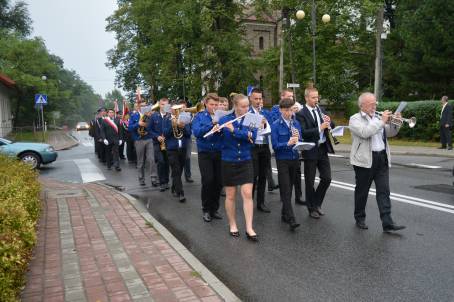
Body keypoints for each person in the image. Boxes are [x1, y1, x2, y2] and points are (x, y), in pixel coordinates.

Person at [349, 92, 406, 232]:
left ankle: (387, 222)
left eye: (375, 103)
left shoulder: (378, 118)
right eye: (371, 104)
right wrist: (381, 121)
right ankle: (359, 217)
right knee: (362, 191)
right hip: (364, 160)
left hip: (381, 158)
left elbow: (391, 133)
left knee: (384, 191)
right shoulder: (354, 119)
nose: (375, 106)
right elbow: (365, 132)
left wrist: (396, 122)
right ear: (362, 105)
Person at [216, 94, 258, 241]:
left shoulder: (252, 118)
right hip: (228, 160)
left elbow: (251, 137)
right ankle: (233, 224)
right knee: (231, 195)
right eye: (243, 106)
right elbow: (214, 140)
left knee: (247, 193)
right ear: (235, 106)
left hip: (245, 160)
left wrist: (234, 131)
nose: (247, 109)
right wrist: (216, 130)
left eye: (248, 106)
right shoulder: (224, 120)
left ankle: (249, 227)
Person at [295, 87, 334, 219]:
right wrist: (319, 128)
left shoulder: (321, 110)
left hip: (322, 148)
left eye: (317, 97)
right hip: (310, 149)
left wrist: (330, 122)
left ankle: (316, 203)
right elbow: (304, 133)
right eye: (313, 97)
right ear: (306, 98)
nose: (316, 100)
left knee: (327, 178)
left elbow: (331, 125)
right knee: (310, 181)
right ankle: (311, 208)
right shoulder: (301, 113)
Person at [271, 98, 302, 231]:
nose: (289, 113)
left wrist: (299, 141)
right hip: (282, 160)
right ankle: (291, 219)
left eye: (291, 110)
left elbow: (300, 140)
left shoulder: (296, 123)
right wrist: (288, 143)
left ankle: (285, 213)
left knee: (290, 188)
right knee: (285, 188)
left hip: (294, 158)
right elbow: (275, 146)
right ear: (281, 110)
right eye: (286, 110)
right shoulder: (276, 125)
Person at [192, 93, 223, 222]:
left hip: (219, 152)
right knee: (208, 180)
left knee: (219, 181)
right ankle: (206, 209)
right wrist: (211, 124)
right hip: (205, 152)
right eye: (212, 104)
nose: (214, 107)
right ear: (205, 104)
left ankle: (214, 209)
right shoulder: (199, 117)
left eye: (216, 105)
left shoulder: (222, 117)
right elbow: (197, 133)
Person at [249, 88, 273, 213]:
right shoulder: (247, 113)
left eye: (260, 98)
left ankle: (261, 202)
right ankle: (250, 202)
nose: (258, 101)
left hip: (264, 146)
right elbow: (246, 129)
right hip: (253, 147)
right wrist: (257, 123)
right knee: (254, 176)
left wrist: (265, 123)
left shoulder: (265, 112)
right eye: (256, 99)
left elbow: (271, 127)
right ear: (251, 99)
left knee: (263, 175)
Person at [163, 99, 192, 203]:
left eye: (178, 108)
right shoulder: (166, 119)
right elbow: (165, 133)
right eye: (174, 108)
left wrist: (182, 126)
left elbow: (189, 134)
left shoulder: (184, 118)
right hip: (172, 148)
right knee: (175, 169)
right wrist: (173, 125)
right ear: (171, 109)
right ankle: (181, 193)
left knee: (179, 170)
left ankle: (174, 187)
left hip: (182, 148)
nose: (176, 110)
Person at [128, 104, 159, 186]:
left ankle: (153, 178)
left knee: (151, 159)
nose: (143, 107)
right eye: (140, 106)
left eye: (144, 105)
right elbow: (130, 128)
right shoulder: (133, 116)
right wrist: (138, 124)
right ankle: (141, 178)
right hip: (139, 140)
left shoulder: (150, 115)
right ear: (136, 107)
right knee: (141, 161)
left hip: (148, 139)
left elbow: (154, 127)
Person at [150, 98, 171, 191]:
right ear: (159, 105)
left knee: (167, 162)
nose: (164, 106)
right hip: (157, 143)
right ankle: (162, 182)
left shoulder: (170, 116)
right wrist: (157, 136)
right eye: (162, 104)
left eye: (166, 105)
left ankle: (166, 181)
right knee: (161, 161)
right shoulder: (154, 116)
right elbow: (149, 129)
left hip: (168, 143)